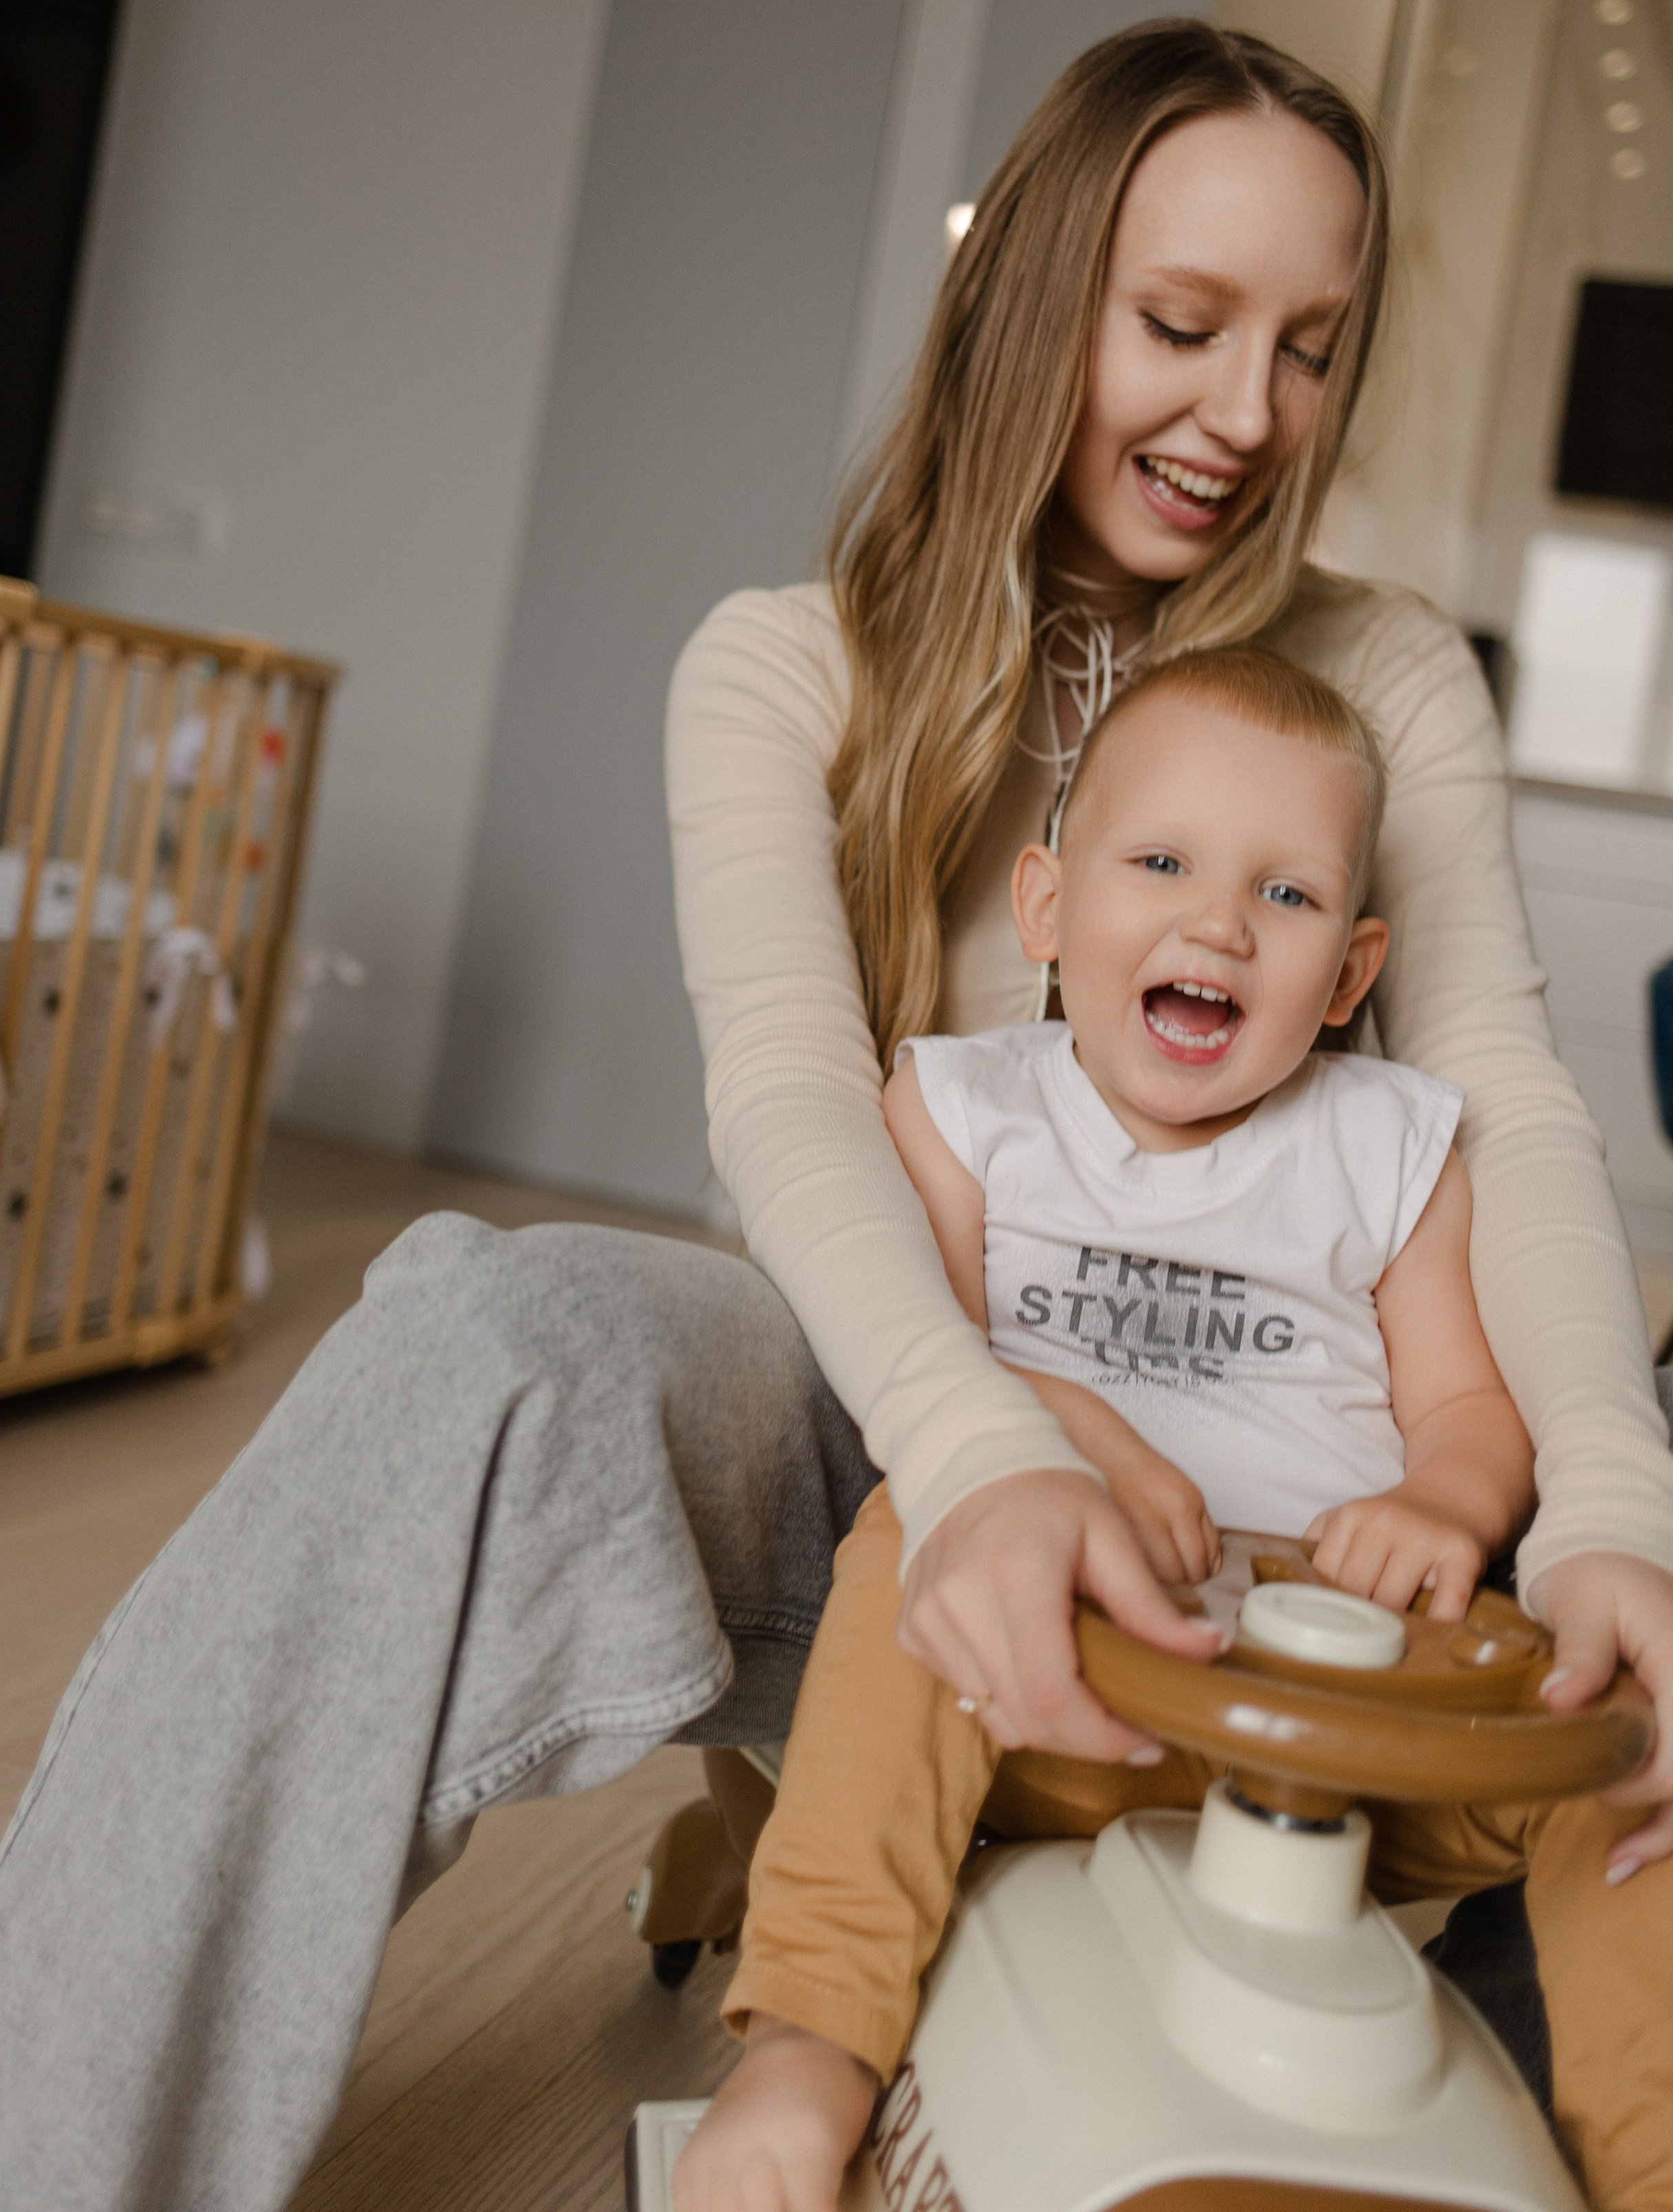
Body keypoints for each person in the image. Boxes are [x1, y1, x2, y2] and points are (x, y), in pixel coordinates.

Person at [0, 22, 1671, 2212]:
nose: (1248, 417)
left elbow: (1502, 1102)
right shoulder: (779, 666)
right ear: (1035, 295)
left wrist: (1604, 1497)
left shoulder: (1389, 677)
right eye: (1183, 326)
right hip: (909, 1447)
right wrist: (989, 1449)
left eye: (1310, 350)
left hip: (1326, 1500)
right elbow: (788, 1111)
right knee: (490, 1329)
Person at [678, 648, 1673, 2212]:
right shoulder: (956, 1108)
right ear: (1047, 911)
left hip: (1358, 1713)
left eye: (1282, 899)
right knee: (906, 1548)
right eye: (1159, 864)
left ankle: (1650, 2161)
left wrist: (1444, 1502)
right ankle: (812, 2036)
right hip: (1041, 1670)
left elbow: (1473, 1407)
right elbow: (922, 1354)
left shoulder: (1392, 1147)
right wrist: (1071, 1443)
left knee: (1631, 1748)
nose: (1217, 922)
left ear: (1347, 979)